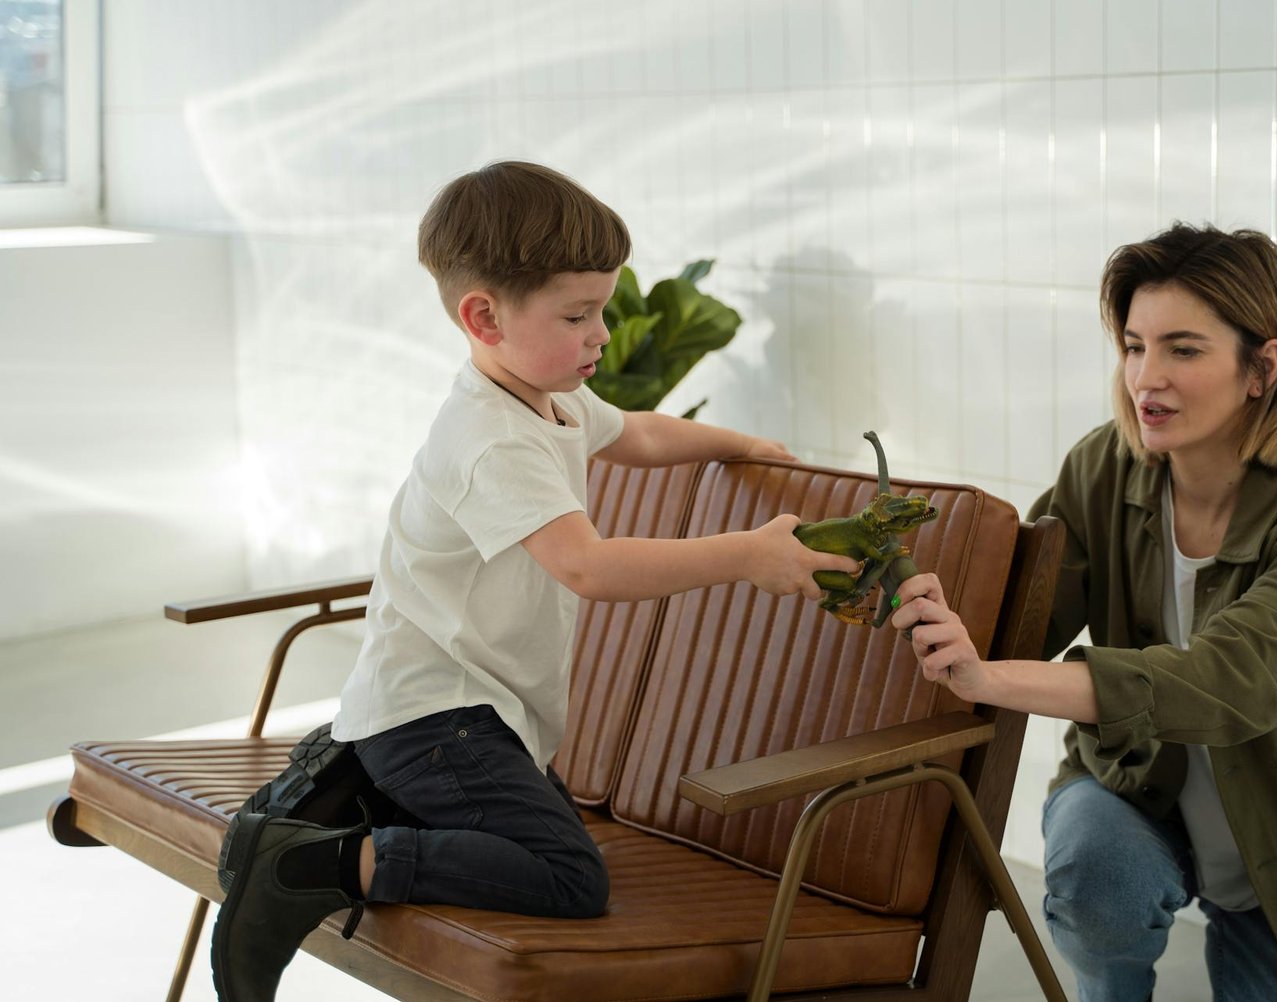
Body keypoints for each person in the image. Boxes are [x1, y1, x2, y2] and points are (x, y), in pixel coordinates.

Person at [209, 161, 859, 1002]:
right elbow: (588, 566)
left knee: (532, 834)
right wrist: (747, 554)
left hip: (474, 712)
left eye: (603, 309)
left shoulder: (546, 398)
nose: (601, 334)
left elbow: (640, 436)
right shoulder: (489, 439)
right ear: (484, 317)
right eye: (578, 314)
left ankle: (352, 790)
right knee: (565, 875)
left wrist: (746, 447)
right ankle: (312, 858)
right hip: (438, 715)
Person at [889, 224, 1277, 1002]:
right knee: (1097, 874)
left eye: (1183, 350)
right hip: (1129, 791)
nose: (1146, 378)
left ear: (1264, 366)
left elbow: (1232, 682)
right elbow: (1022, 617)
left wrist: (988, 676)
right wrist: (934, 597)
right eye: (1133, 346)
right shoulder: (1101, 466)